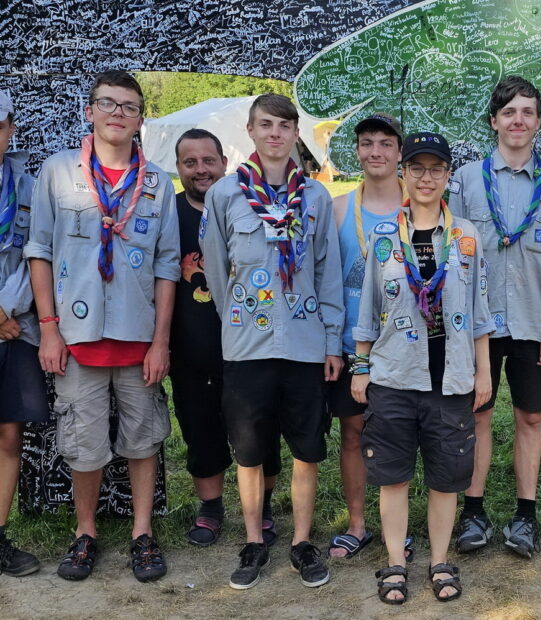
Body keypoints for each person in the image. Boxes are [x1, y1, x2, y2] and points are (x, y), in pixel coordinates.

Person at [25, 70, 180, 582]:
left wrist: (161, 342)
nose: (118, 113)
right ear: (89, 111)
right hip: (75, 338)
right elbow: (40, 251)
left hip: (138, 342)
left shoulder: (157, 182)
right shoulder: (58, 171)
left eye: (129, 106)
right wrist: (48, 328)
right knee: (83, 441)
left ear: (140, 119)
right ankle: (84, 532)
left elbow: (167, 266)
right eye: (107, 103)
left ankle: (142, 533)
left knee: (144, 438)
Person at [200, 94, 344, 590]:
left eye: (285, 125)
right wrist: (237, 320)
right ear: (251, 130)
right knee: (249, 452)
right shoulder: (225, 195)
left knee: (306, 449)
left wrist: (331, 340)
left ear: (295, 132)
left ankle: (302, 542)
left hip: (304, 344)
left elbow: (327, 271)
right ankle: (255, 540)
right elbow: (216, 270)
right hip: (247, 345)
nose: (276, 134)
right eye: (266, 125)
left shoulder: (317, 198)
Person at [351, 131, 493, 604]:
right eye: (417, 169)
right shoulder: (385, 235)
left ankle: (438, 559)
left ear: (448, 175)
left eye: (436, 169)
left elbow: (479, 312)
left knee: (445, 478)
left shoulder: (466, 236)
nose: (426, 178)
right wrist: (361, 366)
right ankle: (395, 561)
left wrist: (484, 371)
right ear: (403, 174)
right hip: (394, 375)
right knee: (393, 475)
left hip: (451, 378)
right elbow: (368, 310)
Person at [448, 76, 541, 558]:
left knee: (530, 417)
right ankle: (472, 512)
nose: (518, 120)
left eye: (527, 112)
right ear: (494, 120)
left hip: (529, 323)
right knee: (477, 414)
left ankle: (525, 515)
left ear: (538, 122)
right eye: (509, 112)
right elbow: (451, 253)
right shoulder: (467, 180)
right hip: (478, 326)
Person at [169, 128, 281, 547]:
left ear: (223, 161)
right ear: (178, 167)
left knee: (260, 428)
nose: (201, 169)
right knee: (199, 426)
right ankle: (211, 508)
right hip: (192, 345)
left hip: (252, 344)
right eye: (190, 162)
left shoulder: (247, 204)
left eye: (208, 160)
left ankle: (265, 507)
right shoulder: (170, 211)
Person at [326, 114, 406, 559]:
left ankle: (399, 525)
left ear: (399, 152)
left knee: (399, 436)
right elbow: (328, 282)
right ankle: (357, 524)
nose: (376, 151)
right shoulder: (339, 209)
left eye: (385, 143)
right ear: (356, 151)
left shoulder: (420, 205)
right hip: (348, 347)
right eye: (367, 143)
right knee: (353, 433)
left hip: (403, 347)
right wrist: (329, 344)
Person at [0, 89, 44, 577]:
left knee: (10, 435)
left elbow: (40, 253)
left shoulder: (28, 184)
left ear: (10, 126)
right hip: (5, 321)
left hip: (21, 328)